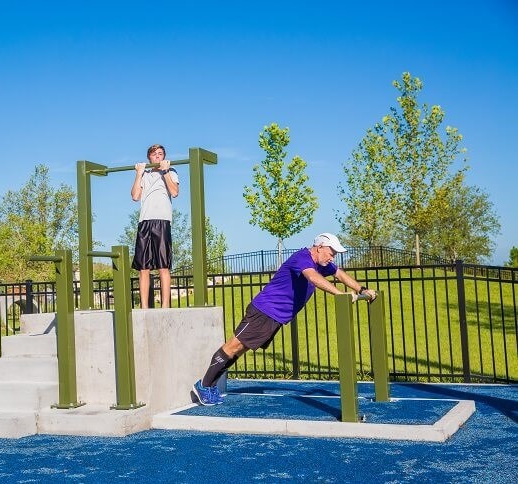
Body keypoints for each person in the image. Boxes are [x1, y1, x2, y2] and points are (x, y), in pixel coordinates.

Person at [192, 232, 377, 405]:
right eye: (331, 253)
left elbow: (339, 273)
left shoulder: (321, 264)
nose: (332, 258)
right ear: (319, 247)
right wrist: (339, 294)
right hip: (263, 311)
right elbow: (312, 278)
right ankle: (204, 386)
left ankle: (210, 386)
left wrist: (361, 289)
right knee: (233, 346)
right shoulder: (303, 258)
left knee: (241, 350)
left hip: (275, 317)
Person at [131, 144, 179, 308]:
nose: (158, 157)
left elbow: (175, 192)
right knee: (143, 268)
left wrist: (165, 172)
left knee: (163, 266)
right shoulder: (144, 174)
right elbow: (135, 196)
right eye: (154, 154)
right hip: (145, 221)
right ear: (149, 157)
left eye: (160, 154)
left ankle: (165, 306)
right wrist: (138, 174)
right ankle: (144, 307)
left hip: (162, 221)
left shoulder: (171, 171)